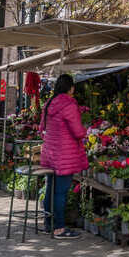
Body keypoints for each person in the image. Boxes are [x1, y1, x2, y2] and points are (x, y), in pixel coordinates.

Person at [39, 74, 87, 239]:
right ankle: (59, 228)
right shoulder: (69, 105)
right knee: (60, 192)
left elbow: (41, 128)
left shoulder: (49, 103)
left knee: (50, 190)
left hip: (49, 153)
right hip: (65, 155)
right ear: (70, 88)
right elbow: (78, 132)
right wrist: (85, 131)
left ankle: (47, 224)